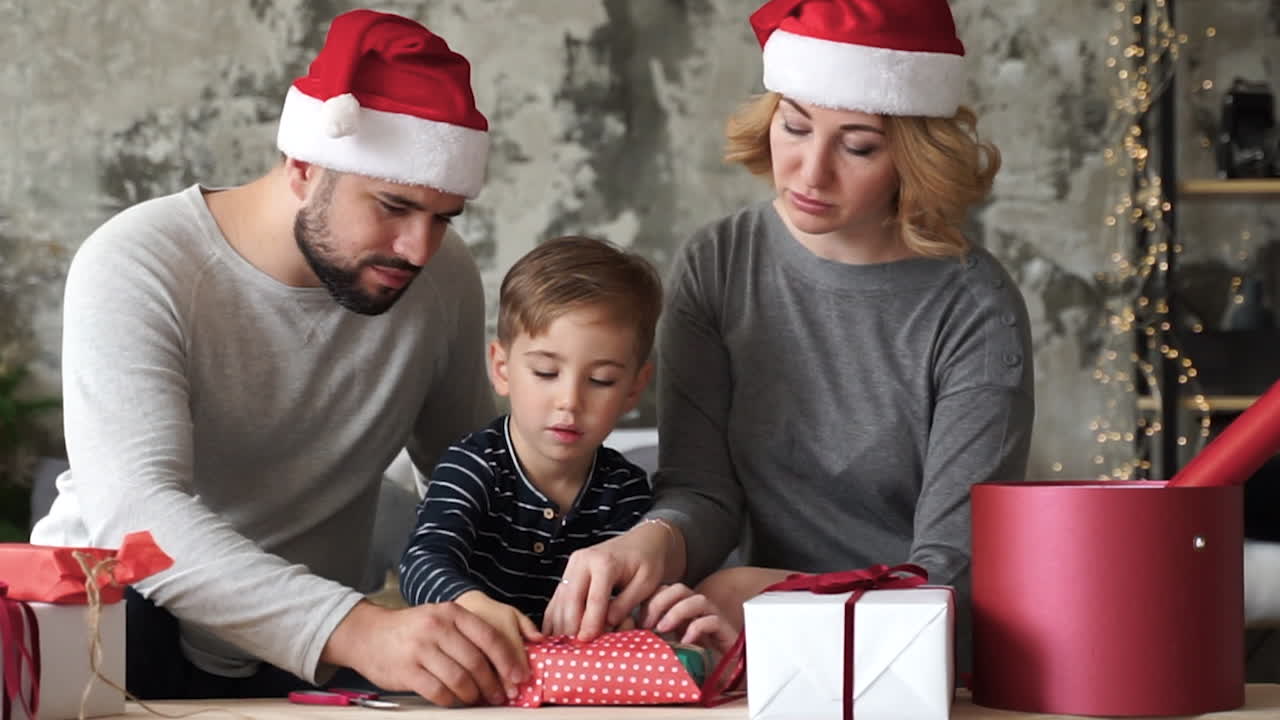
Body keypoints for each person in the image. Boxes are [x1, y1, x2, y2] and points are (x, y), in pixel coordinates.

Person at [31, 9, 527, 706]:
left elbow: (472, 476)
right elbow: (136, 512)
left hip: (311, 651)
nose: (418, 247)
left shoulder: (436, 279)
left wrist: (591, 576)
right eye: (393, 205)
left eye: (443, 217)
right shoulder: (137, 261)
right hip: (107, 625)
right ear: (301, 165)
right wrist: (358, 631)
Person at [541, 0, 1035, 673]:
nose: (810, 172)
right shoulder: (718, 263)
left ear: (914, 156)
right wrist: (650, 543)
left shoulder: (975, 307)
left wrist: (775, 597)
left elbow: (948, 573)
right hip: (750, 647)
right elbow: (703, 493)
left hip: (916, 670)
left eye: (858, 145)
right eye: (795, 127)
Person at [399, 236, 738, 662]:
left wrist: (668, 623)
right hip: (475, 678)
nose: (570, 401)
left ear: (634, 388)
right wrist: (475, 608)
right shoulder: (473, 465)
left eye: (601, 381)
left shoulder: (625, 487)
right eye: (545, 372)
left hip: (583, 692)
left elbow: (635, 604)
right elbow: (422, 564)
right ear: (501, 370)